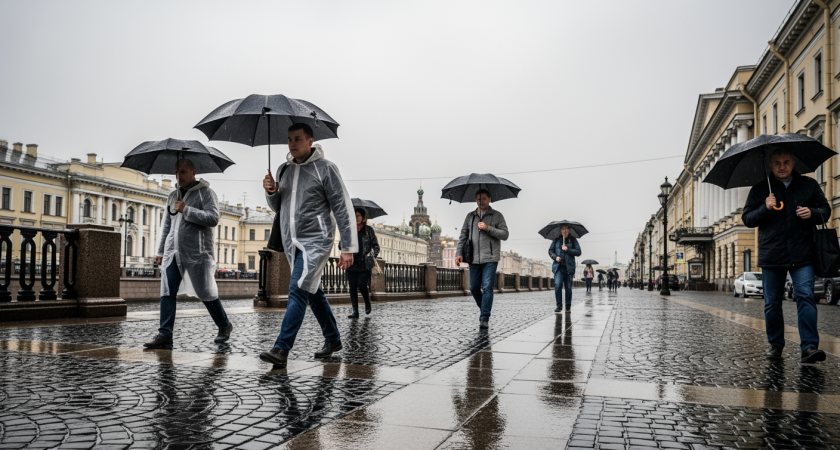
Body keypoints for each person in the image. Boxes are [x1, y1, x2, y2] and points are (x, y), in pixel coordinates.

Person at [258, 123, 357, 368]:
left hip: (316, 240)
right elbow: (278, 208)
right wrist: (271, 191)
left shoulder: (326, 169)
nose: (292, 144)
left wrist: (348, 247)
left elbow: (342, 207)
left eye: (298, 139)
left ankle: (281, 348)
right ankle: (333, 338)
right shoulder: (284, 170)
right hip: (292, 240)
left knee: (299, 287)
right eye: (289, 139)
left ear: (310, 141)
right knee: (312, 290)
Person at [742, 148, 831, 364]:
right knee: (772, 303)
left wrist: (813, 213)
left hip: (803, 253)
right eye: (778, 163)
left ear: (793, 164)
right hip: (772, 254)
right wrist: (765, 207)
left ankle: (809, 347)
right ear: (771, 166)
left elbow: (825, 210)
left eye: (787, 162)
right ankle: (776, 345)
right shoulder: (760, 189)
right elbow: (747, 218)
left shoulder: (808, 185)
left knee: (805, 296)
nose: (782, 166)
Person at [144, 158, 232, 349]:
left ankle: (224, 325)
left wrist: (186, 210)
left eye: (183, 171)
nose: (179, 176)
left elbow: (213, 218)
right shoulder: (172, 196)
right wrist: (161, 251)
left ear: (194, 172)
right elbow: (167, 225)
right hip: (172, 253)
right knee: (167, 292)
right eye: (176, 172)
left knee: (206, 292)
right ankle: (165, 334)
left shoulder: (206, 193)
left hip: (197, 254)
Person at [455, 189, 509, 329]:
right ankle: (485, 309)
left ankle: (484, 318)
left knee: (487, 287)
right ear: (475, 200)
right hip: (473, 258)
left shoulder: (497, 216)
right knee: (473, 288)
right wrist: (458, 253)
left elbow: (504, 234)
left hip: (490, 258)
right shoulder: (470, 217)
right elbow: (463, 236)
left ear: (489, 199)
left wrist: (488, 228)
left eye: (484, 198)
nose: (481, 201)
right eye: (478, 199)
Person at [347, 207, 380, 319]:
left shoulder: (368, 230)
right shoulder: (349, 230)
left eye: (358, 216)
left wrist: (372, 255)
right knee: (352, 288)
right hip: (351, 263)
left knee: (361, 285)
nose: (356, 218)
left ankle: (367, 302)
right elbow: (341, 244)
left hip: (364, 264)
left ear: (363, 217)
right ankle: (355, 311)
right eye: (354, 216)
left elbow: (376, 246)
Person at [549, 225, 581, 313]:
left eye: (566, 229)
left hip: (569, 268)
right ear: (561, 230)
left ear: (569, 230)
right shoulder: (556, 240)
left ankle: (568, 307)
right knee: (558, 285)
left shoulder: (573, 240)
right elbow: (550, 250)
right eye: (563, 229)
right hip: (558, 267)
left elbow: (578, 252)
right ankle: (559, 306)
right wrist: (555, 257)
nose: (565, 230)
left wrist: (568, 249)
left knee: (568, 288)